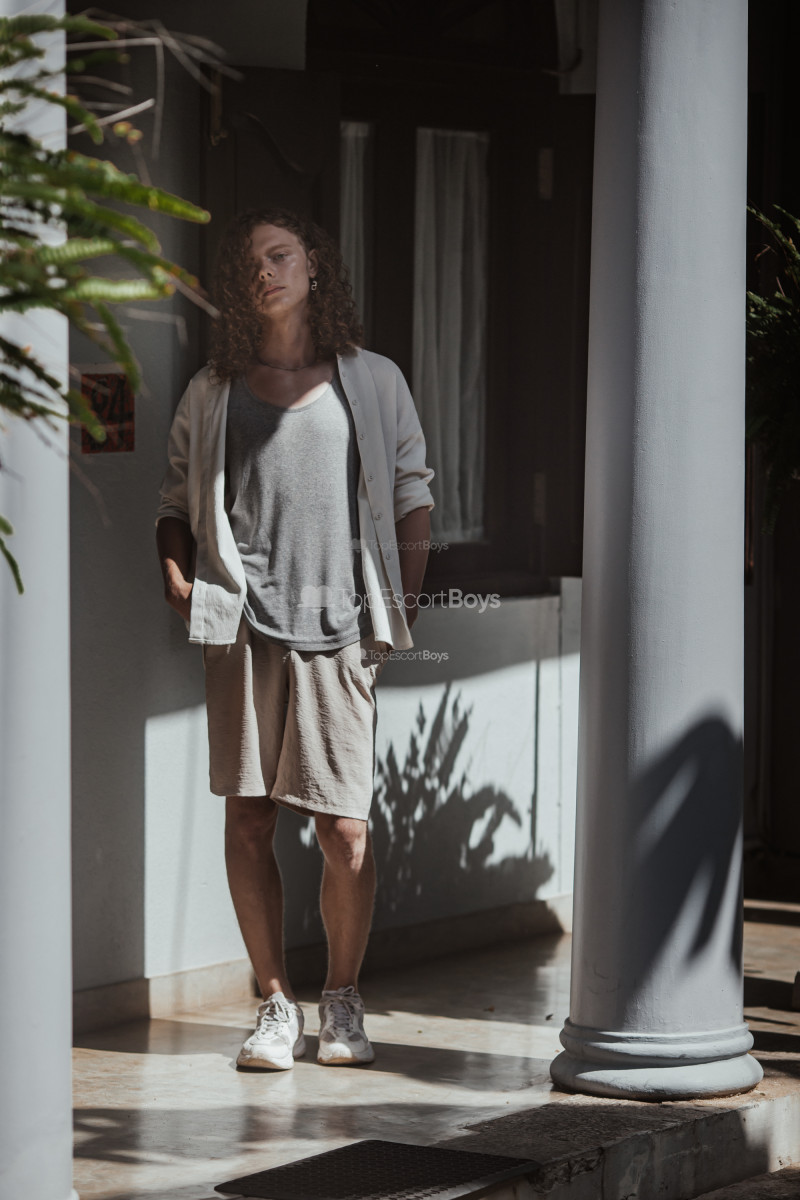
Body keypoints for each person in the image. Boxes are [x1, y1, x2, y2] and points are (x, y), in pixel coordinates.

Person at [155, 207, 434, 1070]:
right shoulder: (214, 389)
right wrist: (175, 576)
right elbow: (175, 500)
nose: (265, 273)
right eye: (250, 264)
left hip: (341, 629)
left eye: (279, 256)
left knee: (344, 832)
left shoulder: (373, 380)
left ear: (313, 264)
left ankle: (341, 1000)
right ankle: (276, 1004)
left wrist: (403, 605)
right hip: (243, 627)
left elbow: (412, 492)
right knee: (249, 821)